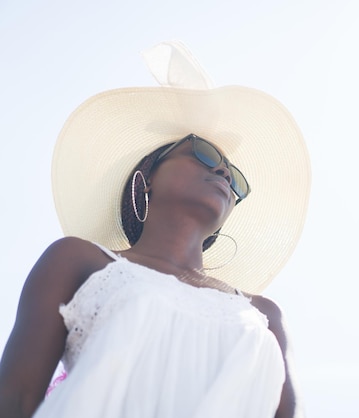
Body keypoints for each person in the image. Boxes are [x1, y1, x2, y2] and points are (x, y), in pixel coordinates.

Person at [0, 41, 310, 418]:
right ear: (146, 178)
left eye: (236, 180)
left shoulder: (265, 314)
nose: (224, 173)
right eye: (203, 153)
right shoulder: (76, 260)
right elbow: (14, 400)